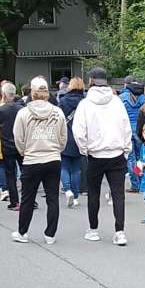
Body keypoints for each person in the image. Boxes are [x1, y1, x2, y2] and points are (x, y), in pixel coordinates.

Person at [73, 67, 132, 246]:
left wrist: (85, 150)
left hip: (95, 154)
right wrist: (126, 150)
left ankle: (93, 229)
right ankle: (120, 232)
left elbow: (78, 131)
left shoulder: (85, 104)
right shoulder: (116, 102)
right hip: (116, 153)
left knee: (93, 193)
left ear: (90, 80)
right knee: (118, 194)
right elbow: (126, 127)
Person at [11, 77, 67, 245]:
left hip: (31, 159)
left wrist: (24, 152)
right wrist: (57, 149)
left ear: (32, 93)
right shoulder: (58, 112)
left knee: (27, 197)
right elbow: (63, 137)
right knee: (52, 198)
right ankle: (50, 234)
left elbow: (18, 138)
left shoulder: (23, 113)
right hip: (53, 158)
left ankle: (22, 232)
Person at [0, 82, 23, 210]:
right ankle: (30, 200)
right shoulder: (22, 109)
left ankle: (15, 201)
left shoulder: (0, 110)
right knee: (25, 172)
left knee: (10, 174)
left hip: (7, 145)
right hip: (21, 144)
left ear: (4, 94)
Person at [59, 77, 85, 208]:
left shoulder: (63, 101)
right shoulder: (85, 102)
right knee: (76, 169)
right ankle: (75, 196)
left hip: (65, 136)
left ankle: (67, 190)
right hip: (79, 138)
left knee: (63, 167)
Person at [119, 75, 145, 193]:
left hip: (126, 130)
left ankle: (135, 184)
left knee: (131, 158)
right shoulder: (143, 98)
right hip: (140, 129)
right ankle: (142, 181)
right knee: (141, 157)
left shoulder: (121, 97)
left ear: (126, 84)